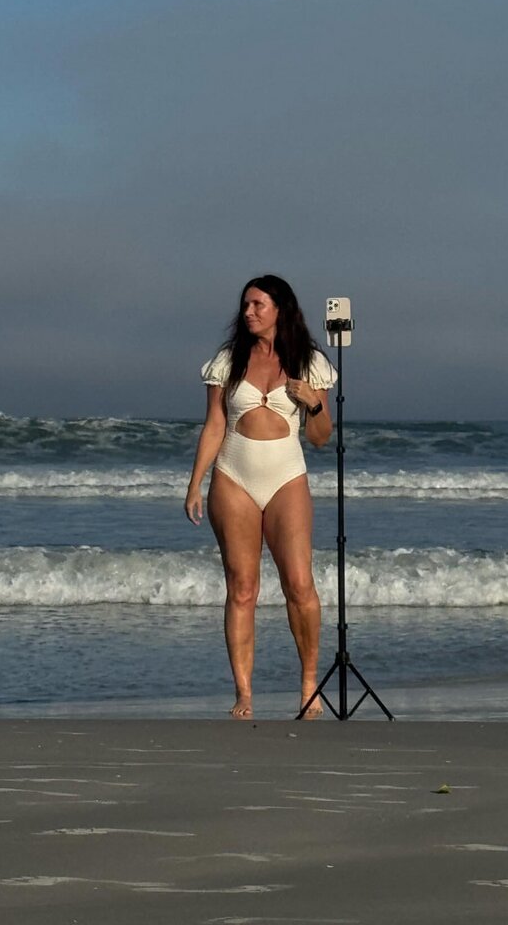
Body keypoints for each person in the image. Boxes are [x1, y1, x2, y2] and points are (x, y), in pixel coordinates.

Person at [185, 275, 337, 718]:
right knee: (242, 588)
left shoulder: (309, 362)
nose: (248, 312)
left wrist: (312, 403)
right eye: (246, 305)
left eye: (258, 305)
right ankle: (244, 693)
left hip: (287, 476)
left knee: (299, 585)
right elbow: (215, 425)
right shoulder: (228, 360)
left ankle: (309, 683)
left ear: (280, 309)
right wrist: (195, 482)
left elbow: (321, 437)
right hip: (233, 475)